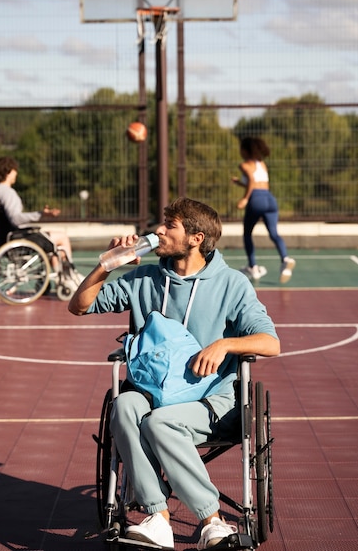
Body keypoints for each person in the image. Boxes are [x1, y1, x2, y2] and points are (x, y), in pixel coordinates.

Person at [68, 197, 280, 550]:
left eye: (170, 226)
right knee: (125, 406)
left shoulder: (231, 284)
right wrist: (106, 265)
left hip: (211, 402)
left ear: (196, 238)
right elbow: (79, 306)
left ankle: (212, 522)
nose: (158, 231)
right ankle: (158, 518)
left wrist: (225, 345)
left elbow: (271, 342)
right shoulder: (145, 278)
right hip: (152, 393)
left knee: (159, 422)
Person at [0, 156, 83, 288]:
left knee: (50, 241)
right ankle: (68, 276)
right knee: (61, 237)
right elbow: (16, 219)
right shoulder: (7, 192)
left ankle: (61, 277)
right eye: (14, 170)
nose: (16, 173)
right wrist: (40, 214)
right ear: (8, 171)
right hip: (17, 237)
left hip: (1, 238)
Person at [231, 136, 296, 283]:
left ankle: (253, 267)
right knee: (274, 233)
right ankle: (285, 258)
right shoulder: (262, 164)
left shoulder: (244, 165)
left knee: (247, 234)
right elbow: (257, 184)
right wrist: (240, 184)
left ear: (245, 151)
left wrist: (245, 199)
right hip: (269, 199)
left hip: (256, 200)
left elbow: (252, 182)